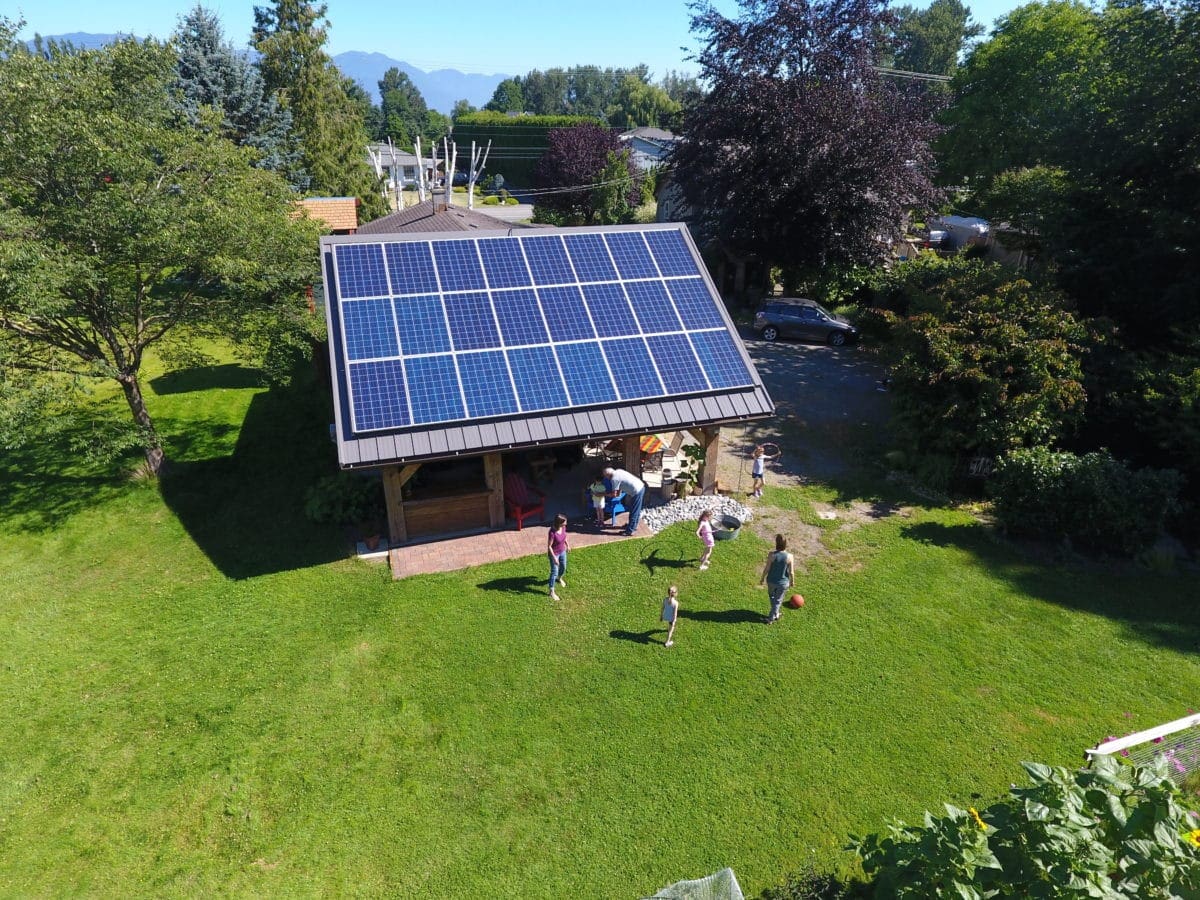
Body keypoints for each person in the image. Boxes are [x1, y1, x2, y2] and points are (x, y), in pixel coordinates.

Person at [758, 534, 794, 624]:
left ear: (776, 543)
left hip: (771, 581)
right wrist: (792, 581)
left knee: (772, 597)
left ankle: (772, 617)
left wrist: (762, 578)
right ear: (786, 544)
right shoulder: (790, 556)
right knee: (777, 600)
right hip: (783, 583)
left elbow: (767, 568)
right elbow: (791, 572)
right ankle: (774, 615)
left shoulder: (771, 555)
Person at [604, 466, 646, 536]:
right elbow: (619, 488)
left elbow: (615, 494)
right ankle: (632, 526)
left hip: (636, 491)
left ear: (608, 475)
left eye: (605, 476)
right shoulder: (618, 471)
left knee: (634, 511)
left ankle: (629, 531)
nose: (606, 478)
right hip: (639, 487)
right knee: (634, 509)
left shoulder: (614, 479)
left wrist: (605, 494)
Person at [547, 514, 569, 601]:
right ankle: (551, 591)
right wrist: (554, 558)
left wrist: (568, 545)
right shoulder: (552, 532)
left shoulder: (563, 527)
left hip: (562, 551)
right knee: (554, 572)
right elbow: (549, 546)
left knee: (563, 567)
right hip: (554, 554)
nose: (566, 523)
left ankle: (560, 578)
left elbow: (564, 536)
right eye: (565, 522)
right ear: (559, 523)